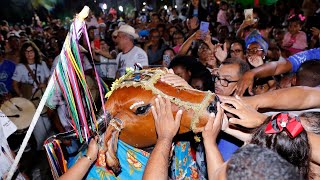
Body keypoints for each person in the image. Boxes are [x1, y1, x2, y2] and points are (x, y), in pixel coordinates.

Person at [12, 41, 51, 150]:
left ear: (35, 51)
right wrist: (22, 96)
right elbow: (15, 84)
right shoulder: (20, 67)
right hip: (31, 103)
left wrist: (46, 84)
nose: (29, 53)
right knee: (39, 131)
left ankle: (51, 149)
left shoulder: (42, 64)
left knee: (48, 125)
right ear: (23, 54)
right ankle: (43, 152)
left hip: (44, 99)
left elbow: (49, 78)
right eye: (26, 52)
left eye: (31, 51)